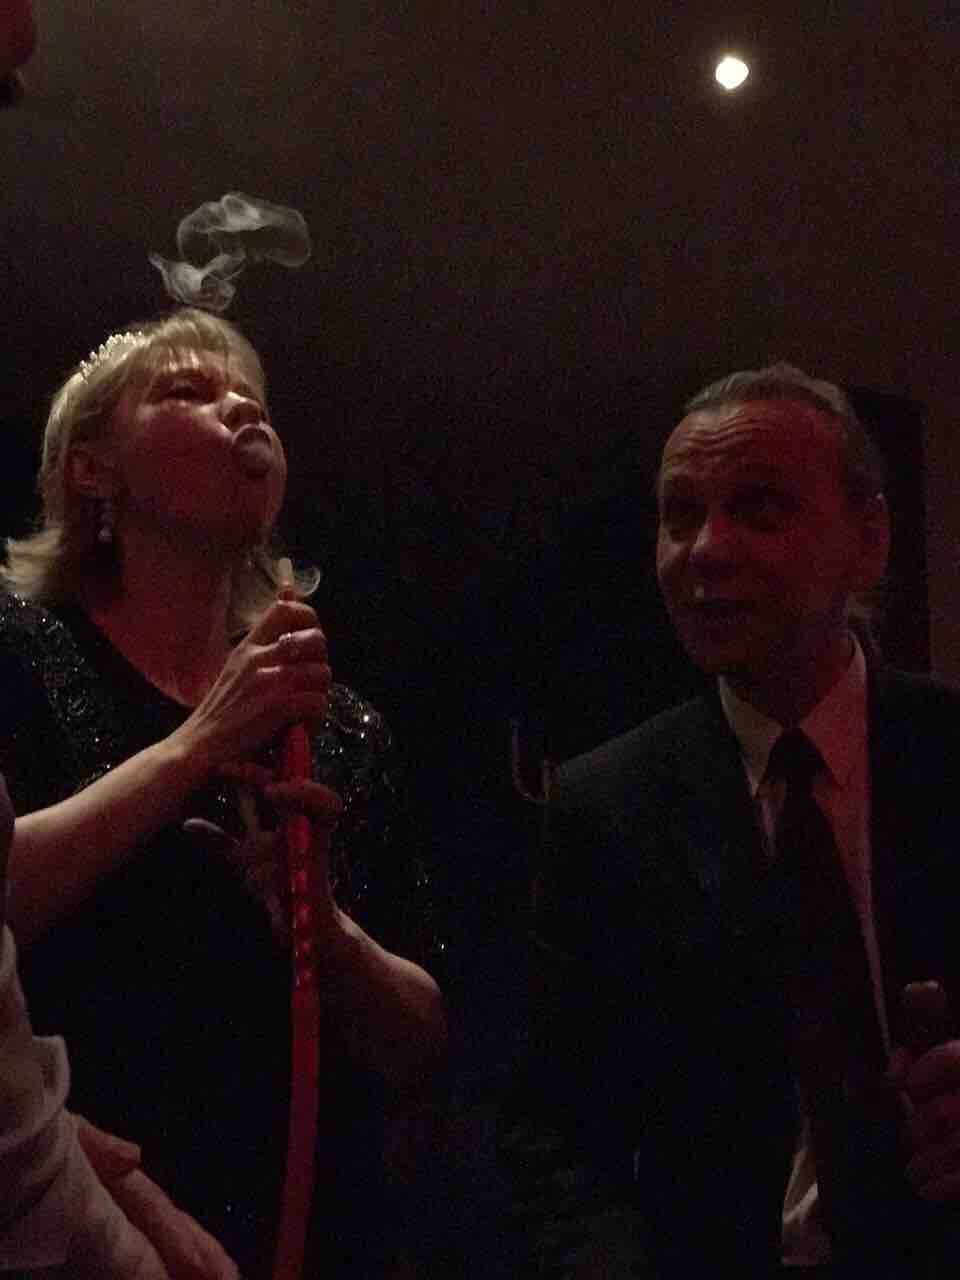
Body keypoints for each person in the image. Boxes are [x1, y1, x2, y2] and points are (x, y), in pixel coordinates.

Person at [0, 308, 446, 1278]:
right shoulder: (20, 654)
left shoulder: (336, 722)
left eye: (252, 399)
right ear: (92, 469)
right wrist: (202, 741)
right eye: (188, 391)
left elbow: (419, 1047)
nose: (241, 409)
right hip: (72, 1217)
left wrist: (324, 927)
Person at [529, 364, 960, 1277]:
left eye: (760, 510)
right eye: (680, 515)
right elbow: (556, 1134)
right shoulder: (607, 809)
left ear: (870, 540)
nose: (706, 551)